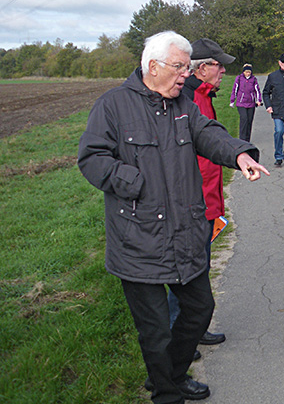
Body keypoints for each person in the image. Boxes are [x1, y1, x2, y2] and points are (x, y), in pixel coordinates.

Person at [77, 31, 269, 403]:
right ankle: (167, 392)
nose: (187, 73)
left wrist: (239, 154)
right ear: (153, 66)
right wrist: (134, 181)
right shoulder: (113, 106)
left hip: (184, 233)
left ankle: (174, 374)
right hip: (138, 240)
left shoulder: (184, 105)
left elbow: (209, 134)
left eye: (188, 66)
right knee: (155, 332)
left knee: (200, 310)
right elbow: (92, 158)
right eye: (180, 66)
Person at [176, 38, 236, 349]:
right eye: (218, 64)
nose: (224, 70)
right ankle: (178, 346)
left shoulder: (203, 96)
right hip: (191, 205)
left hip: (206, 202)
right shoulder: (186, 101)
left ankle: (192, 332)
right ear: (201, 69)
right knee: (187, 276)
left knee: (198, 270)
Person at [230, 63, 262, 142]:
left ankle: (247, 140)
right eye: (246, 72)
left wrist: (258, 100)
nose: (248, 73)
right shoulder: (239, 78)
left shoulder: (253, 79)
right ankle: (242, 139)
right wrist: (232, 101)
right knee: (244, 119)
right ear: (243, 72)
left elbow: (257, 90)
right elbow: (235, 89)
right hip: (241, 103)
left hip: (251, 104)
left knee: (249, 121)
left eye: (249, 72)